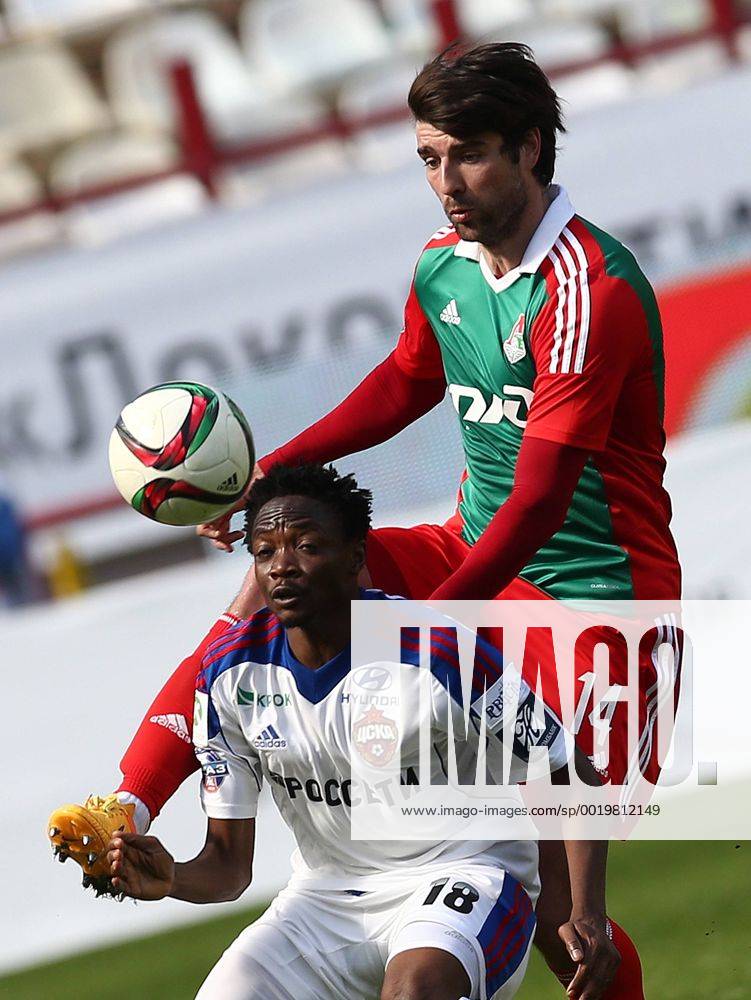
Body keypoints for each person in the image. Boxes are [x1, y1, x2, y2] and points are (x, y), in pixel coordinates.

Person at [49, 43, 679, 998]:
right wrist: (275, 479)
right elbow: (406, 379)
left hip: (595, 600)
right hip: (473, 552)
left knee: (560, 911)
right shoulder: (443, 266)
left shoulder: (588, 289)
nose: (445, 183)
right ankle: (128, 804)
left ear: (532, 147)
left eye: (467, 154)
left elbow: (543, 499)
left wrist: (419, 631)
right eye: (428, 158)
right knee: (274, 577)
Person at [98, 464, 611, 1000]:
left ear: (355, 558)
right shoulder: (228, 676)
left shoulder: (435, 650)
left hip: (467, 875)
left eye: (305, 546)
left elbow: (568, 767)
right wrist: (173, 878)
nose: (282, 567)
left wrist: (586, 910)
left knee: (415, 992)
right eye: (265, 552)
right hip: (324, 901)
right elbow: (228, 867)